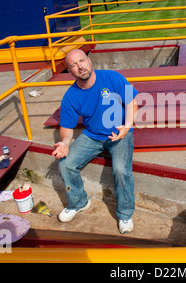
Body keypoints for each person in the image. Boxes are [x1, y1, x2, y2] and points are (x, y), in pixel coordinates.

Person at [52, 49, 138, 234]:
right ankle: (79, 202)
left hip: (119, 133)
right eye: (73, 65)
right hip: (92, 135)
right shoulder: (70, 96)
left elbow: (132, 101)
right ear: (69, 71)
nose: (79, 66)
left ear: (89, 61)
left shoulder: (112, 77)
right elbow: (67, 127)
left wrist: (127, 126)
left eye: (81, 60)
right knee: (65, 163)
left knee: (121, 170)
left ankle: (124, 214)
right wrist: (65, 143)